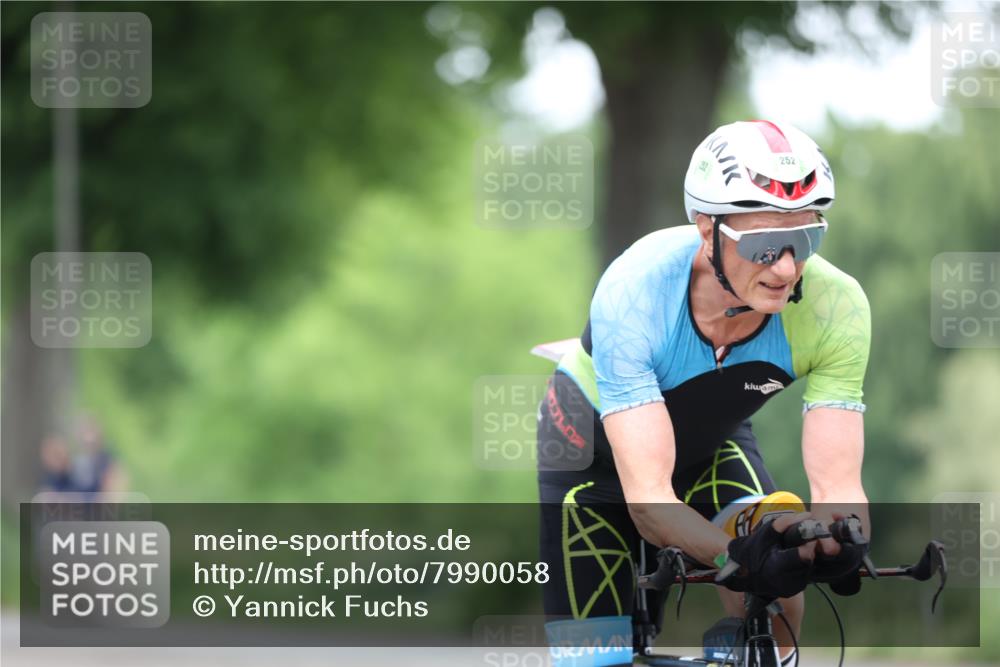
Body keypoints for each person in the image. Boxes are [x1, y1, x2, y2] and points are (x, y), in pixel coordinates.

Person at [536, 120, 872, 665]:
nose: (787, 267)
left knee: (780, 583)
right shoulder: (633, 290)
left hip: (711, 441)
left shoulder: (838, 307)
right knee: (593, 657)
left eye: (805, 238)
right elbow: (650, 502)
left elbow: (838, 482)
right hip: (591, 458)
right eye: (765, 244)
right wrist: (739, 556)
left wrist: (837, 541)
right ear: (707, 229)